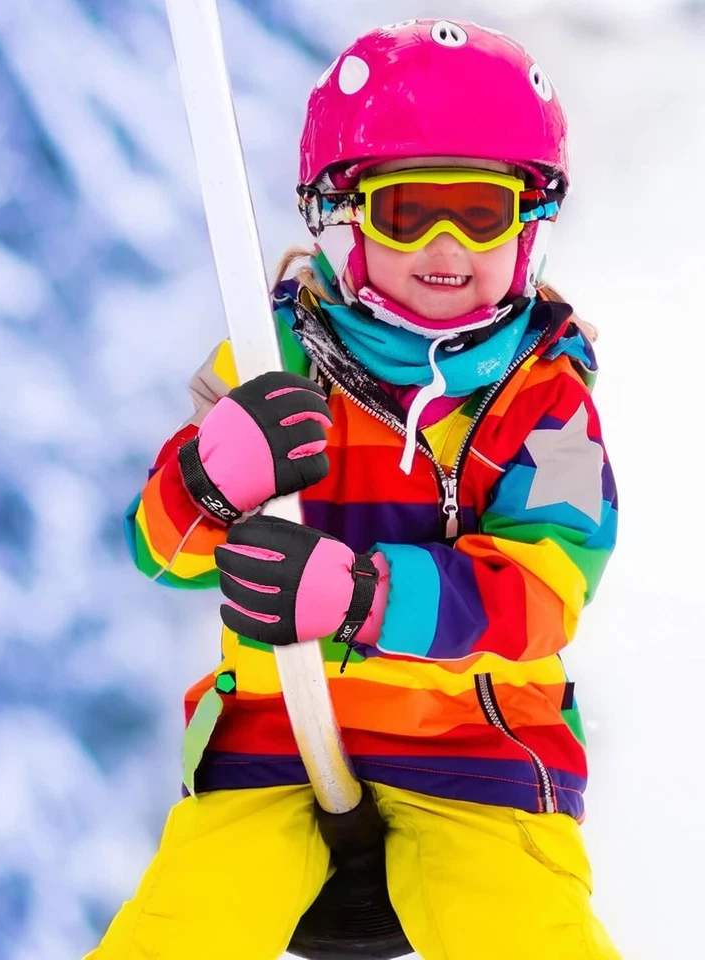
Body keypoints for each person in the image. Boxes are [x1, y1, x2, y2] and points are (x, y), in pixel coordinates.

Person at [88, 19, 621, 960]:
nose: (447, 245)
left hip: (476, 755)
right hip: (276, 740)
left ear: (529, 226)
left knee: (525, 931)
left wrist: (366, 597)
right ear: (345, 218)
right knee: (181, 929)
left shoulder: (548, 399)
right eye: (409, 212)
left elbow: (546, 592)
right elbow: (158, 552)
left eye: (482, 213)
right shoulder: (274, 361)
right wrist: (211, 483)